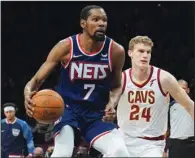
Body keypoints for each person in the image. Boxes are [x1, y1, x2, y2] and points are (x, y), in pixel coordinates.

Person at [24, 5, 129, 157]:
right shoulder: (66, 47)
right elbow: (36, 80)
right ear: (83, 24)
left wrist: (112, 104)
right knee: (62, 153)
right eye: (95, 19)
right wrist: (27, 93)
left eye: (104, 20)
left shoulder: (115, 51)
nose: (101, 23)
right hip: (67, 110)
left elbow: (117, 86)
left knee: (120, 152)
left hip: (97, 114)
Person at [117, 36, 194, 157]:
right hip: (123, 139)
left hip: (152, 144)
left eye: (148, 52)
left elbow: (190, 106)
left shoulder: (164, 78)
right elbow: (105, 105)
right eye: (141, 51)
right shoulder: (121, 79)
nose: (145, 55)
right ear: (130, 53)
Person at [165, 79, 194, 158]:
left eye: (183, 88)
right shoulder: (169, 107)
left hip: (191, 143)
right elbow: (166, 129)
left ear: (188, 90)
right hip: (175, 144)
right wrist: (164, 149)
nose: (181, 91)